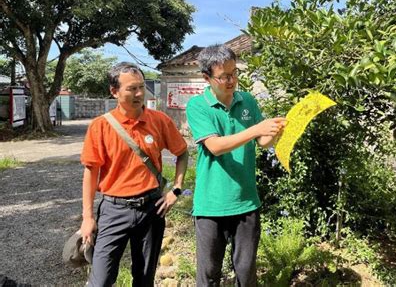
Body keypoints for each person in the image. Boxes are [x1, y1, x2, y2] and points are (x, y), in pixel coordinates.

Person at [185, 45, 286, 286]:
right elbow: (216, 146)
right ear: (207, 78)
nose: (231, 80)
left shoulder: (248, 100)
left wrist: (277, 131)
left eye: (234, 73)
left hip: (246, 201)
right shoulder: (198, 106)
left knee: (246, 272)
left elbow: (262, 142)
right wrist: (256, 130)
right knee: (209, 273)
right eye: (224, 76)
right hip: (212, 205)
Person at [80, 62, 188, 286]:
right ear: (114, 91)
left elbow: (182, 153)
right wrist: (88, 218)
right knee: (100, 280)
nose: (139, 93)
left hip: (151, 208)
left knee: (144, 277)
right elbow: (91, 173)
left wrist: (175, 190)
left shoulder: (159, 120)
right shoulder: (100, 126)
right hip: (114, 209)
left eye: (141, 87)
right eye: (131, 89)